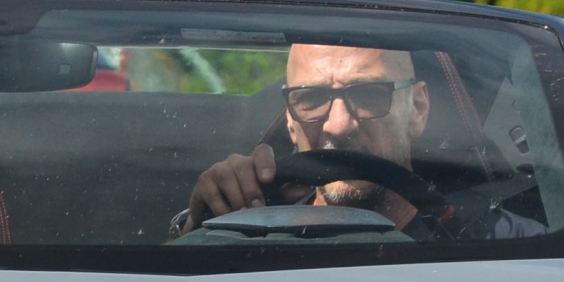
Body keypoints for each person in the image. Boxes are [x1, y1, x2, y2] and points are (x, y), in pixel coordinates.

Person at [178, 41, 542, 240]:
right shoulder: (249, 229)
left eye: (369, 95)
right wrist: (206, 224)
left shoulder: (498, 244)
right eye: (311, 99)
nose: (339, 125)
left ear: (417, 109)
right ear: (290, 120)